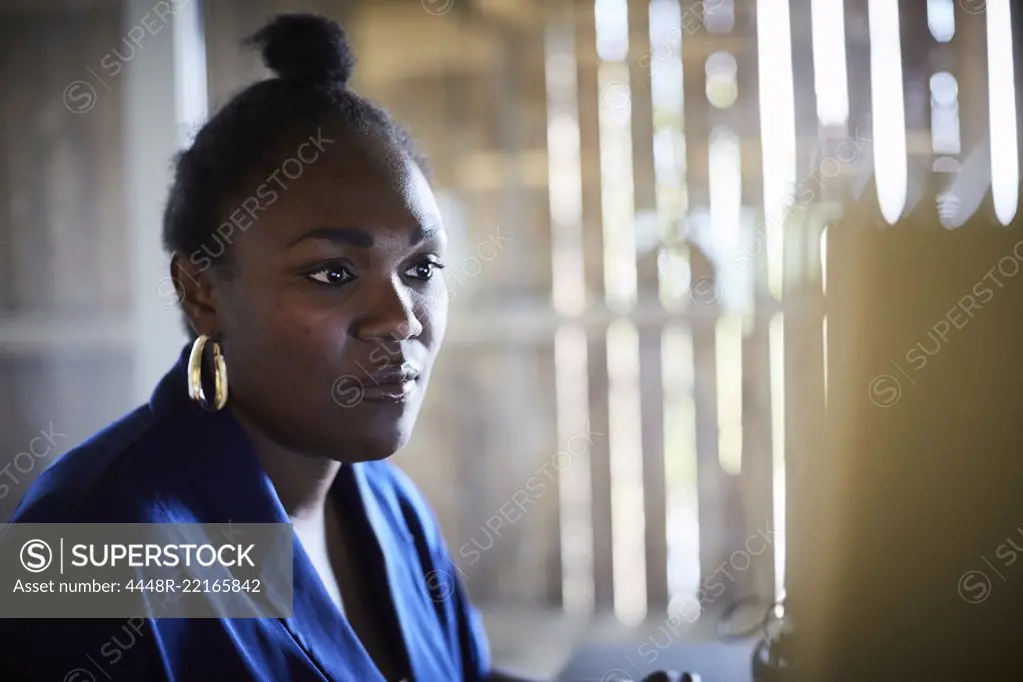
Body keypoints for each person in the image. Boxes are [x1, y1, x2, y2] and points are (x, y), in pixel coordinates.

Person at [0, 13, 690, 682]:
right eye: (331, 272)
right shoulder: (86, 540)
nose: (401, 319)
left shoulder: (386, 506)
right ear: (201, 291)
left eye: (419, 269)